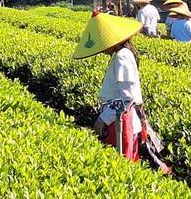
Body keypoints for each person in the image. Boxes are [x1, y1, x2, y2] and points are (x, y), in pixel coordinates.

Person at [72, 11, 171, 173]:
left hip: (120, 121)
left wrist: (103, 119)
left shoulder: (122, 56)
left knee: (122, 168)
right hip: (119, 119)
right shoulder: (122, 54)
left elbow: (127, 97)